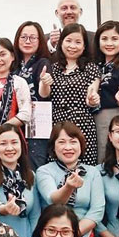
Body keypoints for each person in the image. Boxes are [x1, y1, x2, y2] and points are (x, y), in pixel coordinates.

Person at [35, 122, 105, 237]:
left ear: (81, 145)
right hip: (52, 236)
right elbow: (52, 200)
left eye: (73, 142)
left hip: (82, 235)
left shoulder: (92, 172)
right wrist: (68, 187)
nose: (68, 147)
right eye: (61, 142)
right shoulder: (44, 171)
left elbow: (97, 211)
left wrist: (72, 235)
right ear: (53, 147)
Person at [39, 24, 99, 164]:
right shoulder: (53, 68)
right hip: (57, 123)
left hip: (82, 124)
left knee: (84, 166)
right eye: (68, 41)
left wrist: (92, 99)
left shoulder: (91, 68)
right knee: (57, 166)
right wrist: (44, 82)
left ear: (84, 46)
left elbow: (92, 94)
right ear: (61, 43)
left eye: (78, 42)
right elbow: (44, 94)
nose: (73, 46)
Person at [0, 124, 39, 237]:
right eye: (3, 144)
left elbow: (35, 216)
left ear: (22, 145)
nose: (9, 148)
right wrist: (3, 209)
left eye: (14, 142)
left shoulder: (30, 176)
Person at [89, 21, 119, 159]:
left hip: (113, 116)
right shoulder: (96, 65)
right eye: (104, 39)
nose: (109, 43)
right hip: (93, 116)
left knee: (106, 156)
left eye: (114, 39)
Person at [14, 20, 52, 167]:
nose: (27, 41)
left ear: (40, 40)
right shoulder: (13, 66)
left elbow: (44, 94)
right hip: (16, 120)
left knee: (34, 166)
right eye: (23, 37)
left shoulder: (42, 63)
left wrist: (44, 82)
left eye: (32, 38)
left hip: (37, 123)